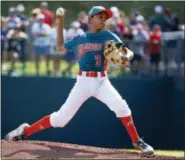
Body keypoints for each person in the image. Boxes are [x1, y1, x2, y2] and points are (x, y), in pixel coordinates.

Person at [5, 6, 154, 155]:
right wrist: (60, 22)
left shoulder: (108, 35)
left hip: (101, 81)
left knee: (122, 107)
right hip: (82, 82)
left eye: (104, 17)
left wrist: (124, 57)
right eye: (99, 16)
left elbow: (127, 53)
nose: (103, 19)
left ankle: (137, 141)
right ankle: (25, 131)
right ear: (90, 20)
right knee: (61, 120)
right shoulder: (79, 39)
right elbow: (60, 47)